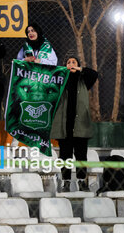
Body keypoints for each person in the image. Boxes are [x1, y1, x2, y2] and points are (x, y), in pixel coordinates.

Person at [51, 56, 97, 192]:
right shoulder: (59, 81)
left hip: (80, 126)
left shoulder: (83, 80)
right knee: (65, 155)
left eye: (74, 62)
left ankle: (82, 181)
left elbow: (94, 74)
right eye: (68, 62)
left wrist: (79, 69)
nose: (71, 64)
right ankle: (66, 182)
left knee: (81, 155)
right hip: (64, 126)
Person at [12, 23, 58, 146]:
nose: (30, 33)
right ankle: (16, 141)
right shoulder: (25, 47)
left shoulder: (47, 47)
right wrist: (25, 60)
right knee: (22, 109)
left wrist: (40, 61)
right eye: (28, 32)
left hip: (42, 85)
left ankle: (43, 142)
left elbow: (54, 62)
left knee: (41, 113)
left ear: (38, 31)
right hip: (28, 86)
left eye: (33, 30)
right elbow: (17, 62)